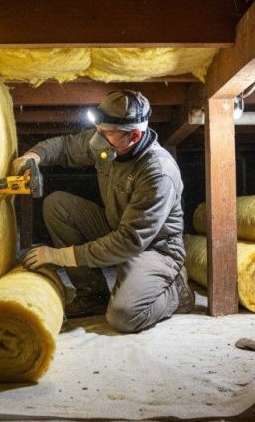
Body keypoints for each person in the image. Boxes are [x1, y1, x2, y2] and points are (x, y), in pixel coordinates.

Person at [16, 89, 194, 333]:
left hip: (154, 249)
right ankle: (93, 295)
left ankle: (177, 292)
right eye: (98, 129)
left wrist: (59, 256)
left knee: (124, 316)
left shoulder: (158, 172)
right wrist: (33, 156)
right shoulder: (111, 142)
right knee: (57, 205)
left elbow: (130, 241)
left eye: (106, 133)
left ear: (133, 136)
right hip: (118, 228)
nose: (98, 138)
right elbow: (67, 147)